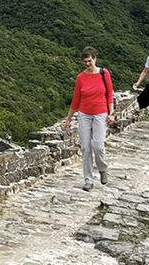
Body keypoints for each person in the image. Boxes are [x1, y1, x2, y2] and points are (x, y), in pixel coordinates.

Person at [64, 46, 115, 190]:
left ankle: (102, 169)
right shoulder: (81, 78)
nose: (87, 64)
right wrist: (68, 119)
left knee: (98, 145)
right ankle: (88, 180)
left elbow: (110, 94)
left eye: (89, 60)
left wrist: (111, 113)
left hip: (100, 112)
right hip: (84, 114)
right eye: (85, 61)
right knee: (86, 148)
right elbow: (76, 100)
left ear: (95, 59)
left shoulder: (104, 74)